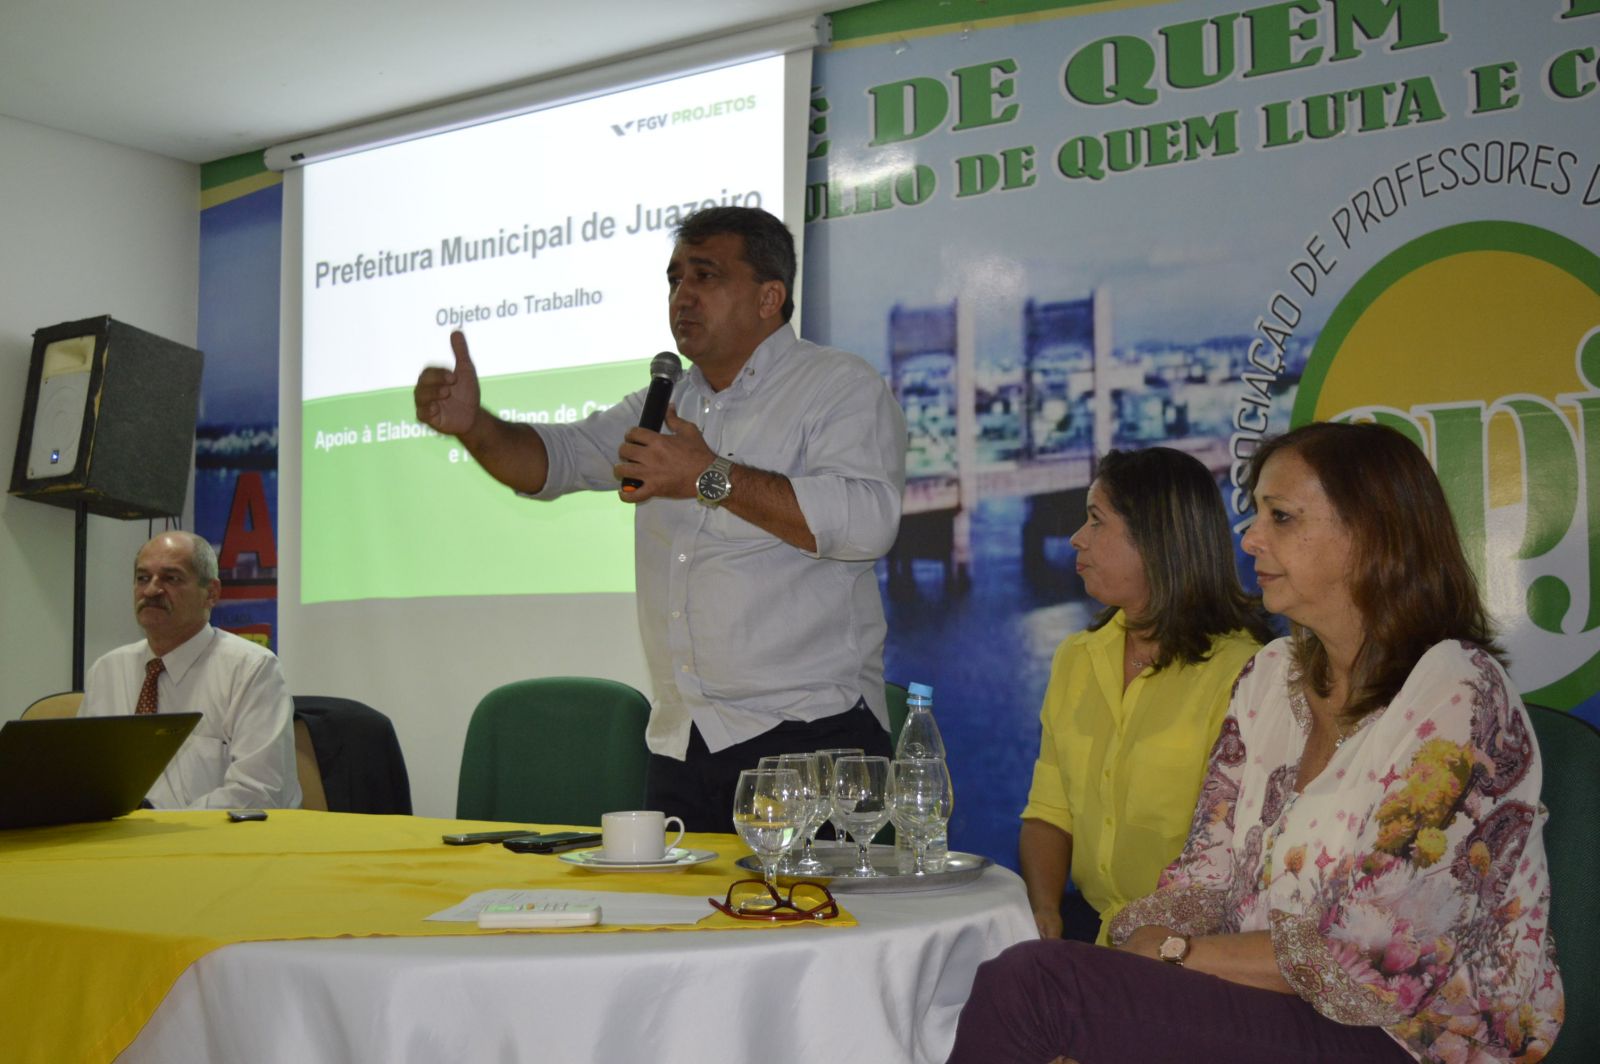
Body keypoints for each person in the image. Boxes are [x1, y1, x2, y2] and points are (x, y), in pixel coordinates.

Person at [949, 422, 1562, 1063]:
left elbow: (1377, 964)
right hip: (1265, 1001)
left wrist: (1176, 954)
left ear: (1372, 535)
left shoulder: (1458, 690)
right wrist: (1141, 950)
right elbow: (1203, 875)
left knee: (1037, 987)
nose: (1250, 538)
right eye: (1256, 514)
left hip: (1410, 1038)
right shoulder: (1271, 676)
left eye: (1282, 517)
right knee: (1049, 998)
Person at [413, 206, 906, 831]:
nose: (682, 296)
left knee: (807, 903)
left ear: (769, 297)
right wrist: (476, 428)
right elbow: (554, 460)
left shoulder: (836, 385)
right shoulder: (668, 401)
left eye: (706, 276)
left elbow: (868, 521)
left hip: (811, 739)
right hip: (683, 742)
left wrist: (709, 474)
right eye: (675, 279)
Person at [1021, 447, 1273, 945]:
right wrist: (1044, 913)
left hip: (1192, 949)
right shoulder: (1076, 657)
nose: (1076, 538)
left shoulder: (1245, 673)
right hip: (1096, 933)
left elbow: (1239, 862)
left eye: (1096, 521)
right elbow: (1049, 812)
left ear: (1156, 539)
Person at [80, 531, 301, 810]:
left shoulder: (252, 669)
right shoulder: (106, 670)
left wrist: (161, 824)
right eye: (143, 578)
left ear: (211, 593)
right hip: (116, 834)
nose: (151, 591)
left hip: (213, 834)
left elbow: (260, 793)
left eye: (171, 578)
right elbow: (83, 778)